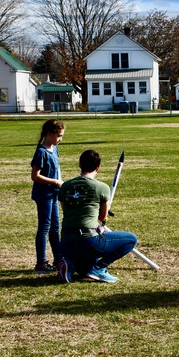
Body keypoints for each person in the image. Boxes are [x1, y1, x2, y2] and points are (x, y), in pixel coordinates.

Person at [56, 149, 138, 284]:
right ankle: (98, 268)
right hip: (88, 241)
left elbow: (66, 210)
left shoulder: (65, 186)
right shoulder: (102, 187)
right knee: (131, 239)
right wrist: (106, 206)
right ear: (98, 167)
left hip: (65, 241)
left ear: (80, 165)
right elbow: (102, 217)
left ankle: (69, 264)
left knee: (83, 269)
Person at [31, 119, 65, 274]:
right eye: (58, 136)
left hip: (54, 194)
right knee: (44, 228)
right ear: (49, 134)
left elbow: (57, 170)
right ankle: (41, 263)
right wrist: (55, 182)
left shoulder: (54, 149)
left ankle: (59, 259)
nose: (60, 139)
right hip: (44, 195)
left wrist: (60, 185)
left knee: (55, 227)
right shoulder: (41, 152)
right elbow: (35, 176)